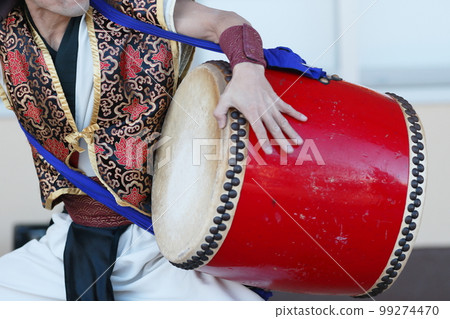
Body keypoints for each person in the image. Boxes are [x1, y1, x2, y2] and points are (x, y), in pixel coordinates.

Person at [0, 0, 307, 300]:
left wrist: (248, 73)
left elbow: (223, 22)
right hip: (65, 243)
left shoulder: (134, 6)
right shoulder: (9, 32)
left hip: (160, 247)